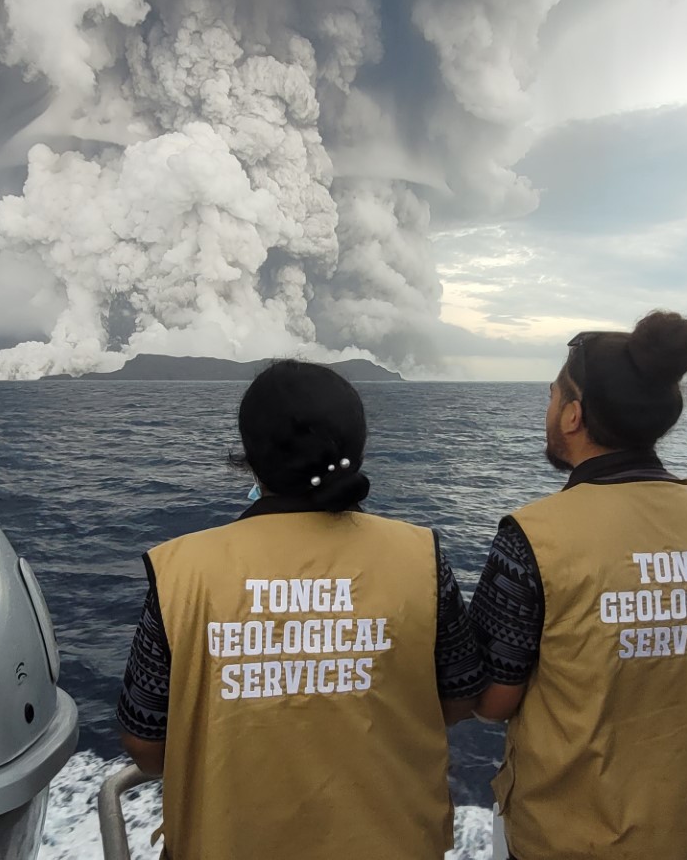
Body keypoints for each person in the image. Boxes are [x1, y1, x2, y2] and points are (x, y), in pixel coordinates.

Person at [117, 359, 485, 859]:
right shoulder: (420, 556)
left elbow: (147, 747)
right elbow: (461, 697)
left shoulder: (181, 571)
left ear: (249, 457)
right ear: (356, 447)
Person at [468, 310, 687, 860]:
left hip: (576, 838)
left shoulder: (533, 538)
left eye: (551, 396)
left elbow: (493, 700)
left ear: (573, 415)